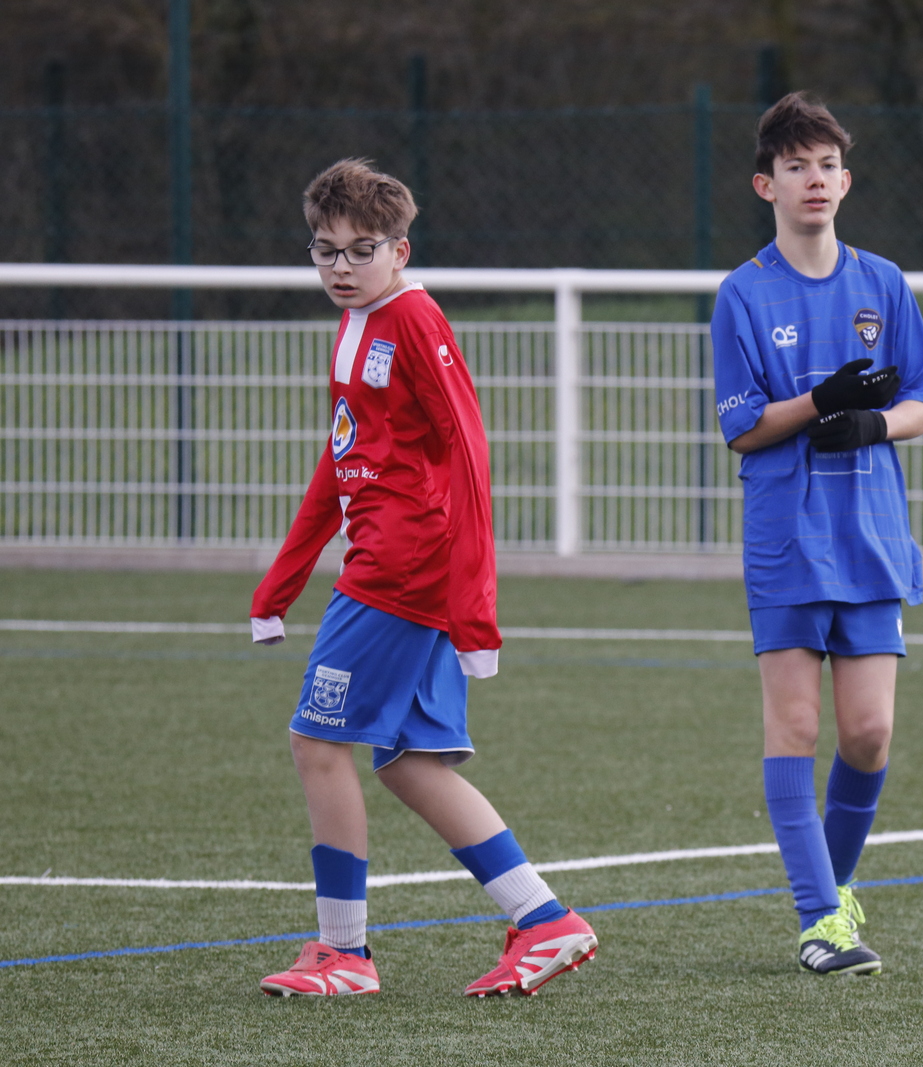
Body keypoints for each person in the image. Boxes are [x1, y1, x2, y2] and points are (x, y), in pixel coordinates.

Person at [248, 158, 596, 998]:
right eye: (325, 249)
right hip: (391, 568)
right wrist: (280, 583)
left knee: (317, 743)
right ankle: (544, 919)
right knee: (407, 762)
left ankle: (344, 953)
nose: (340, 266)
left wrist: (475, 609)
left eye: (360, 249)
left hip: (402, 574)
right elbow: (339, 462)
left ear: (399, 251)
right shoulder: (356, 320)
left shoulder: (412, 318)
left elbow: (469, 455)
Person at [710, 94, 923, 976]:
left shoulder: (883, 282)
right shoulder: (743, 293)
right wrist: (820, 403)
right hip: (786, 540)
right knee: (797, 725)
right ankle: (820, 921)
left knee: (870, 733)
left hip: (871, 536)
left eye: (828, 165)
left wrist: (873, 424)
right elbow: (741, 426)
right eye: (796, 166)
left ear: (846, 181)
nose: (815, 179)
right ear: (765, 184)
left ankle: (833, 897)